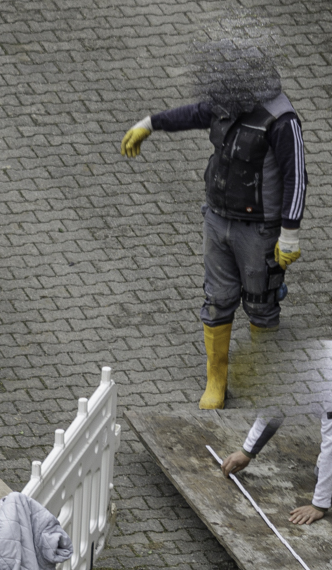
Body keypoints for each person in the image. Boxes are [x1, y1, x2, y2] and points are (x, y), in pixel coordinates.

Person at [119, 30, 307, 410]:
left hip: (259, 229)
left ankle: (260, 376)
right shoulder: (226, 101)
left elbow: (296, 178)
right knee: (217, 299)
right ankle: (216, 380)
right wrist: (150, 123)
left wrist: (289, 234)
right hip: (217, 219)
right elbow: (195, 113)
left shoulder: (282, 120)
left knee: (261, 302)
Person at [218, 341, 332, 523]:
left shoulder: (331, 385)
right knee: (325, 474)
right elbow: (275, 409)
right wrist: (247, 451)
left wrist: (319, 505)